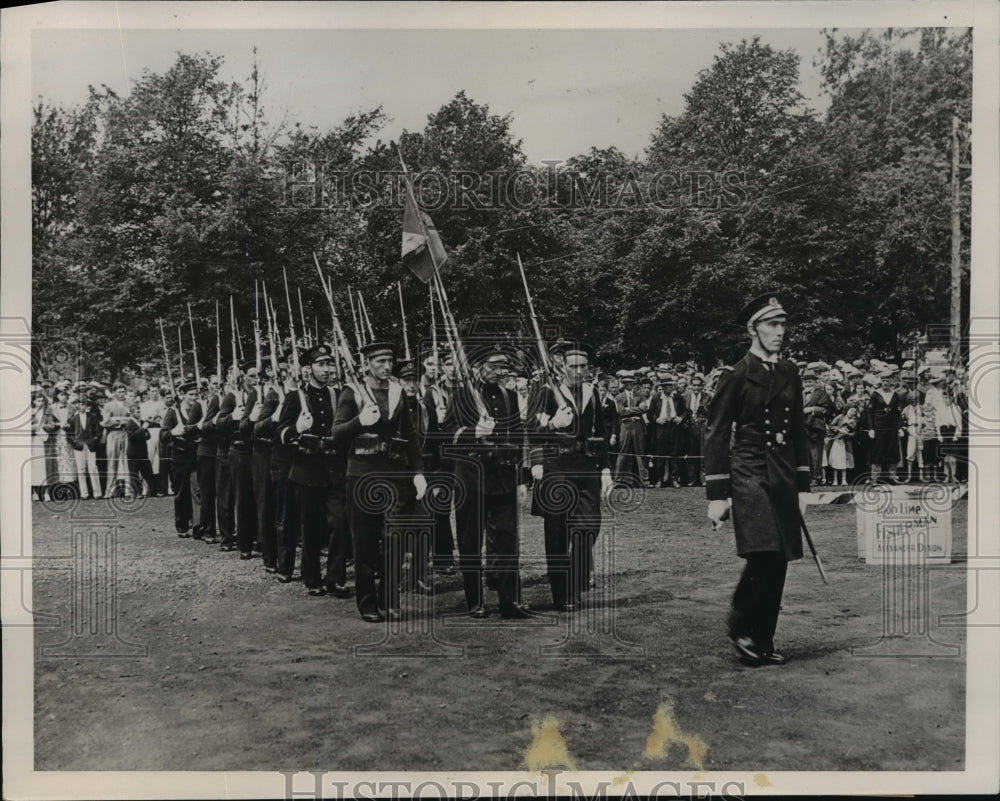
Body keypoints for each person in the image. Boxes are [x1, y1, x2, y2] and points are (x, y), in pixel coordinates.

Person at [705, 292, 811, 667]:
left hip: (782, 472)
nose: (780, 332)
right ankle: (742, 623)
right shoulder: (735, 374)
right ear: (754, 329)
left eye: (783, 325)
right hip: (748, 469)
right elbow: (716, 432)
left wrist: (803, 486)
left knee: (778, 557)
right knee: (763, 551)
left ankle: (762, 639)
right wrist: (717, 494)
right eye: (772, 324)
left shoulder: (789, 372)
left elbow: (798, 429)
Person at [332, 341, 426, 622]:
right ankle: (368, 603)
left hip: (394, 474)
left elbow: (410, 435)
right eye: (380, 362)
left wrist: (419, 472)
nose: (386, 367)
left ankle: (389, 598)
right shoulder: (352, 393)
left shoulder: (398, 392)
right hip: (361, 474)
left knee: (394, 538)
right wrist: (359, 421)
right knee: (365, 542)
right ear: (367, 365)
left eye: (389, 361)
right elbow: (337, 434)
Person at [444, 346, 532, 619]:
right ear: (477, 368)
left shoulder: (510, 396)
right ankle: (475, 601)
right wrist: (474, 432)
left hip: (503, 478)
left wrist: (521, 477)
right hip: (472, 478)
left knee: (507, 542)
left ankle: (510, 601)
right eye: (492, 367)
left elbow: (518, 438)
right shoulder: (462, 396)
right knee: (471, 543)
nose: (498, 372)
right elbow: (447, 435)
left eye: (502, 367)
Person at [529, 341, 614, 612]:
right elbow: (530, 431)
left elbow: (600, 432)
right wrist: (554, 424)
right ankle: (563, 594)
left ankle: (576, 581)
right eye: (574, 366)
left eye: (584, 367)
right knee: (557, 534)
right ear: (562, 366)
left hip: (586, 468)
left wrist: (606, 469)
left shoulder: (592, 392)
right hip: (557, 468)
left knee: (588, 527)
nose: (579, 372)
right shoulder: (545, 392)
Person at [276, 344, 351, 597]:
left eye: (330, 364)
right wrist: (296, 428)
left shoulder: (338, 394)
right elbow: (280, 433)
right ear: (308, 369)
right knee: (311, 527)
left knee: (340, 524)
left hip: (334, 468)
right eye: (321, 364)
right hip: (307, 469)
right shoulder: (296, 396)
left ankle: (336, 579)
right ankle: (312, 578)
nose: (327, 369)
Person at [161, 381, 202, 535]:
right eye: (190, 394)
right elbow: (163, 435)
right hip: (179, 458)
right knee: (181, 493)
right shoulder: (173, 413)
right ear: (182, 396)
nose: (194, 397)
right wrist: (173, 432)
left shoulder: (200, 410)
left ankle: (198, 525)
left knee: (197, 490)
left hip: (196, 457)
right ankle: (182, 525)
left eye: (196, 394)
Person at [69, 383, 103, 499]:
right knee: (81, 469)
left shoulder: (92, 417)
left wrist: (93, 441)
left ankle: (97, 492)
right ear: (76, 405)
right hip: (79, 445)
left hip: (90, 444)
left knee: (93, 468)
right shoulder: (73, 418)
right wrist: (76, 442)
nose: (82, 406)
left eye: (84, 404)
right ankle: (84, 493)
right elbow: (69, 433)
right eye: (80, 404)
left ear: (87, 405)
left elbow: (98, 431)